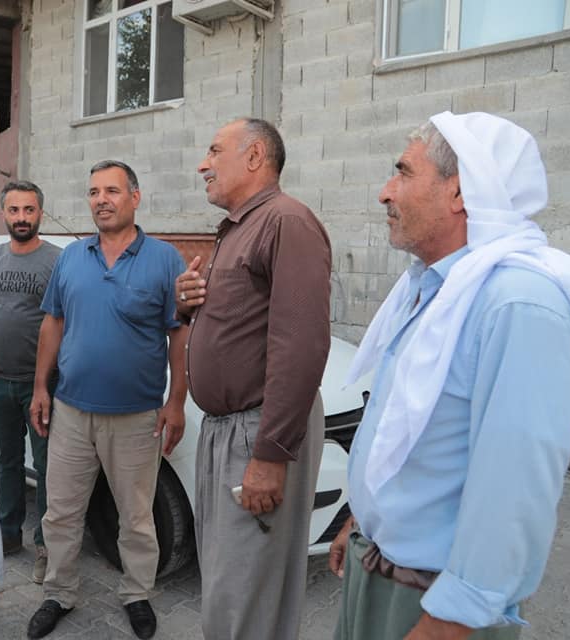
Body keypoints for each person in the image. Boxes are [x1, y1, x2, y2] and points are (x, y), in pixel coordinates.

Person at [330, 112, 570, 640]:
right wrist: (362, 523)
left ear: (459, 192)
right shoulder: (433, 289)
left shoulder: (518, 304)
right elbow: (407, 436)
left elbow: (515, 489)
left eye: (403, 172)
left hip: (437, 605)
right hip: (380, 567)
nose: (385, 192)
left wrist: (449, 621)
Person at [175, 118, 332, 639]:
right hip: (227, 430)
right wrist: (187, 305)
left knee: (246, 594)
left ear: (255, 156)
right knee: (228, 585)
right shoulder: (240, 228)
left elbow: (301, 345)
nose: (203, 164)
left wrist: (270, 455)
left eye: (214, 151)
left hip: (255, 432)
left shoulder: (286, 222)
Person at [25, 160, 187, 640]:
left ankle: (137, 594)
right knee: (60, 512)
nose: (101, 200)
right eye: (94, 192)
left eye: (112, 191)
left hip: (136, 417)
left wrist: (176, 401)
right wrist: (40, 387)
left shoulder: (165, 259)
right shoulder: (72, 258)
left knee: (136, 517)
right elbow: (53, 323)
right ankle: (59, 591)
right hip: (72, 411)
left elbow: (179, 335)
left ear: (135, 197)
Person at [0, 180, 61, 583]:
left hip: (41, 385)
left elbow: (66, 320)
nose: (21, 218)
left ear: (40, 212)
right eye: (14, 210)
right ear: (3, 213)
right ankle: (8, 535)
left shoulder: (57, 260)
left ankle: (46, 545)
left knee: (47, 467)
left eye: (29, 210)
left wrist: (45, 382)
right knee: (7, 461)